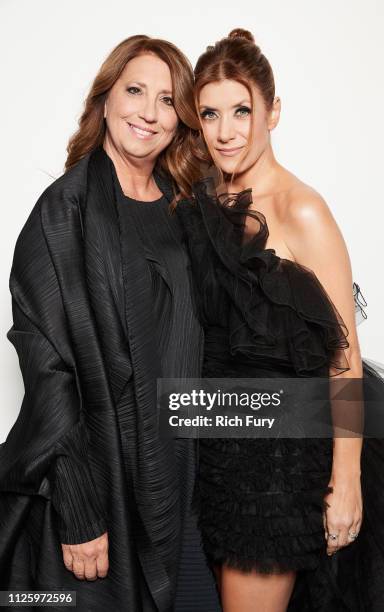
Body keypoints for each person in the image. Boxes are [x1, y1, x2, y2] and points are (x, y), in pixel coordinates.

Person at [176, 28, 384, 611]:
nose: (226, 131)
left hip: (277, 464)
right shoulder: (199, 200)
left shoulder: (303, 209)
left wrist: (347, 481)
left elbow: (343, 357)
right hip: (213, 449)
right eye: (210, 113)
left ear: (273, 112)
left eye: (242, 110)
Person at [0, 35, 220, 612]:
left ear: (182, 120)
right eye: (135, 91)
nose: (149, 111)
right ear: (104, 102)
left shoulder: (186, 207)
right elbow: (48, 368)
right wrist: (77, 508)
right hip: (101, 489)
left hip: (185, 478)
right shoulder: (63, 211)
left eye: (168, 100)